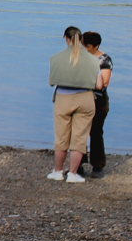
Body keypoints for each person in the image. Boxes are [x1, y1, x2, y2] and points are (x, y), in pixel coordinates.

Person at [48, 26, 101, 183]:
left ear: (66, 39)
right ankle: (72, 173)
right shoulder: (93, 60)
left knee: (61, 136)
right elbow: (99, 85)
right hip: (85, 99)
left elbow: (51, 82)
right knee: (79, 138)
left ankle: (58, 171)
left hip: (63, 98)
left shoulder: (56, 57)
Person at [82, 31, 112, 179]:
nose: (84, 48)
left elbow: (104, 82)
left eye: (87, 46)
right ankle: (79, 164)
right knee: (79, 132)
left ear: (96, 46)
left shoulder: (104, 59)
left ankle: (98, 165)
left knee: (96, 132)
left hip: (98, 101)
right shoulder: (79, 57)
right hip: (80, 98)